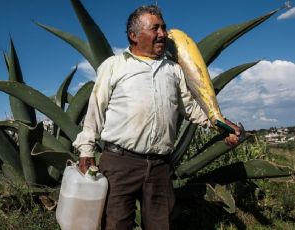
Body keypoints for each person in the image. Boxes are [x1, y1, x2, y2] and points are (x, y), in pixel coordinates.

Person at [72, 5, 241, 230]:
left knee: (161, 226)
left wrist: (219, 124)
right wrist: (86, 150)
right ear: (134, 36)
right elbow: (96, 110)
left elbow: (190, 107)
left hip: (160, 166)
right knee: (115, 224)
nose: (163, 34)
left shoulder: (173, 70)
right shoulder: (114, 66)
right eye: (155, 28)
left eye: (164, 27)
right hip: (120, 163)